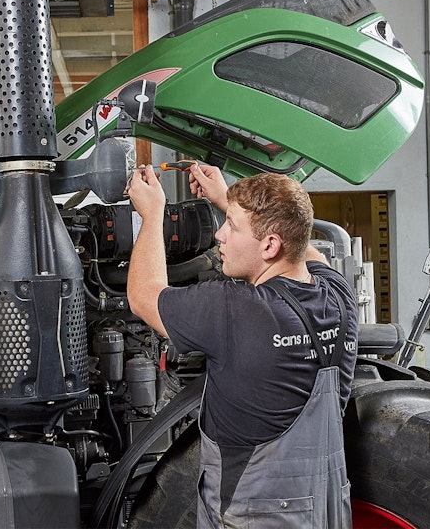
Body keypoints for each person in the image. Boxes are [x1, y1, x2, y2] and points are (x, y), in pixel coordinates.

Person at [126, 163, 358, 529]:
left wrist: (152, 214)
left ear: (270, 245)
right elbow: (309, 254)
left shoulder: (235, 308)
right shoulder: (338, 296)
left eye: (231, 227)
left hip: (253, 517)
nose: (220, 234)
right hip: (326, 510)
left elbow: (143, 297)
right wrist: (228, 201)